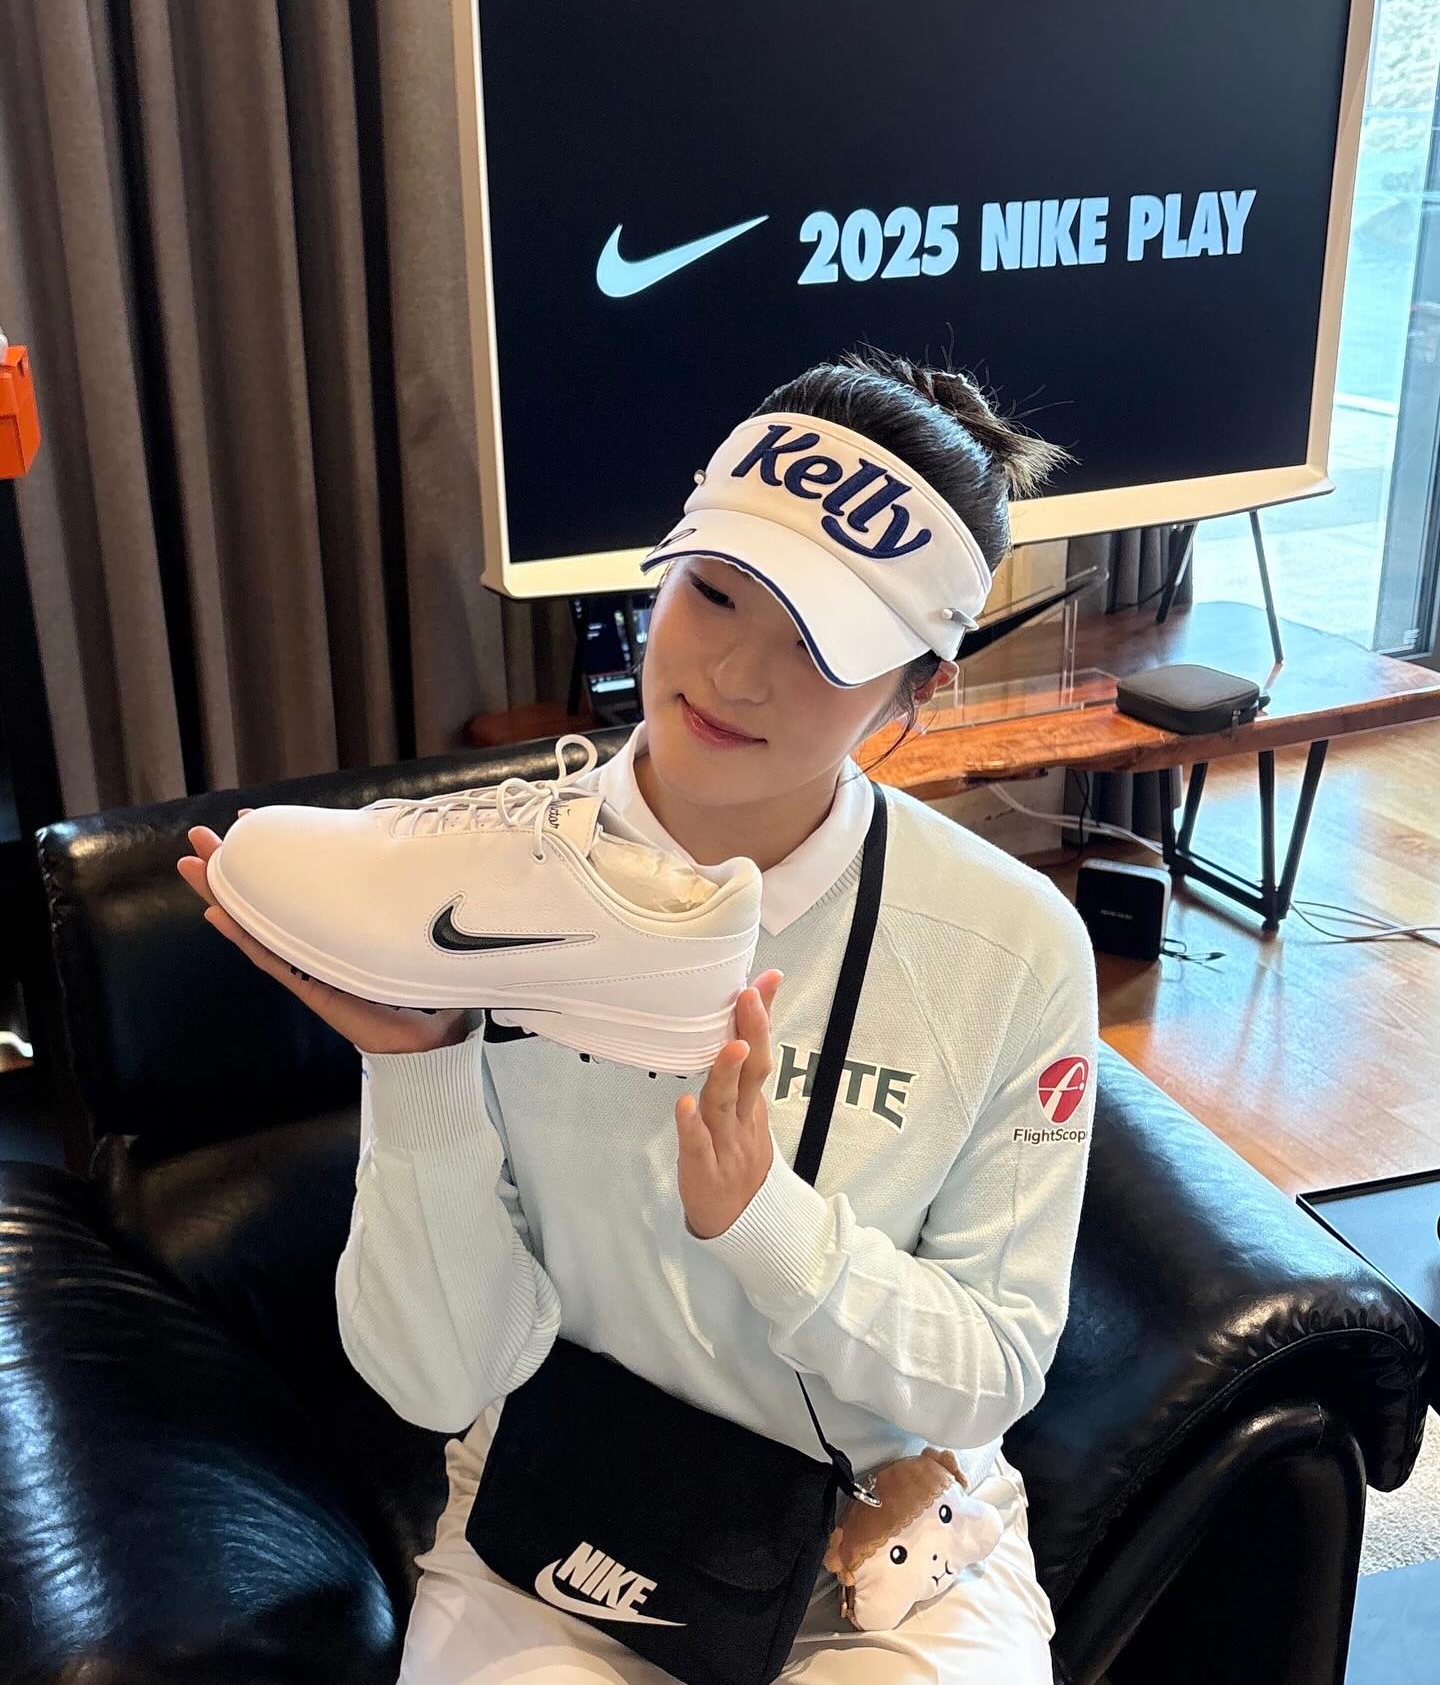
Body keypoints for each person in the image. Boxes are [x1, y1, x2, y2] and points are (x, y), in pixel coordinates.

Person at [178, 346, 1099, 1684]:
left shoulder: (1010, 945)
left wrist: (766, 1223)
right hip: (562, 1514)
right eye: (715, 592)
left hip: (877, 1541)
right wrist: (415, 1067)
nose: (736, 675)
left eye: (824, 649)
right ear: (660, 572)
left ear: (918, 686)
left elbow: (992, 1367)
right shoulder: (464, 897)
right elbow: (437, 1384)